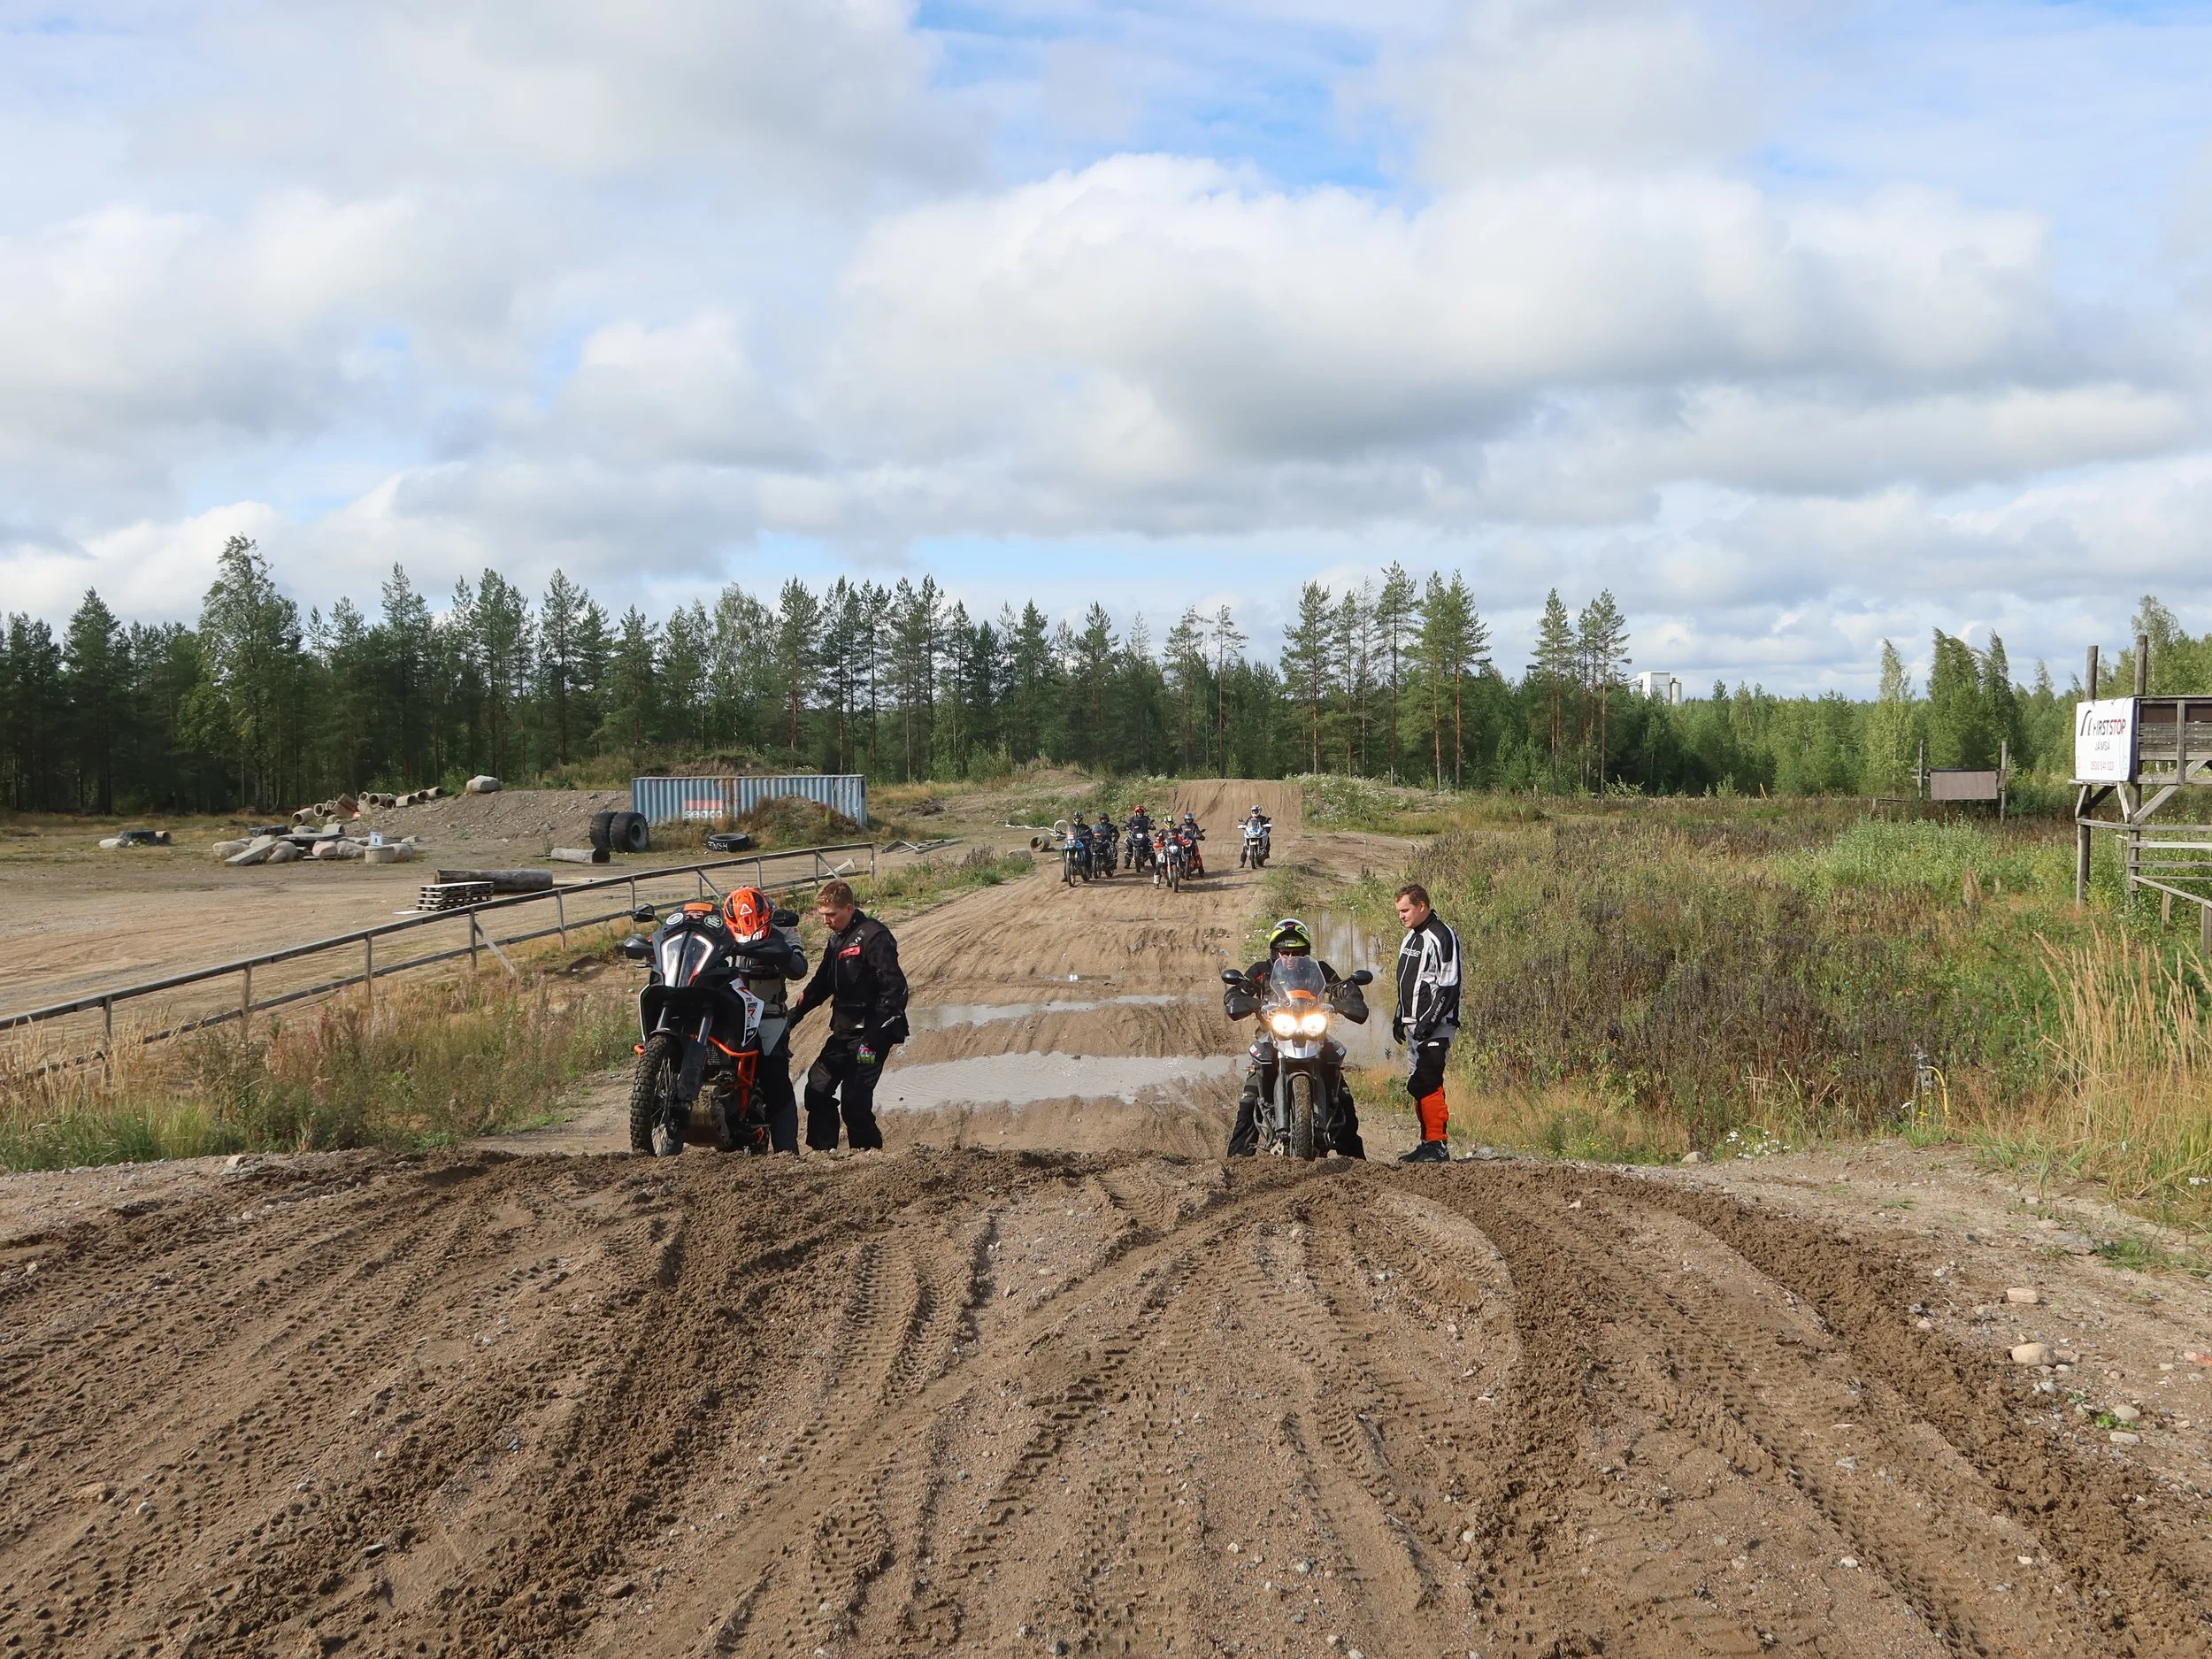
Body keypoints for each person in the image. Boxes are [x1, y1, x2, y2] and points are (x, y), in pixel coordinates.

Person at [1225, 918, 1366, 1158]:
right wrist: (1242, 999)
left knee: (1342, 1094)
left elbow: (1341, 987)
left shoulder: (1319, 970)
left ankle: (1359, 1165)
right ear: (1275, 952)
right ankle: (1236, 1163)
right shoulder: (1261, 971)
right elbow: (1238, 990)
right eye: (1284, 952)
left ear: (1306, 952)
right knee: (1249, 1099)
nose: (1290, 957)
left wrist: (1349, 996)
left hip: (1314, 1032)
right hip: (1274, 1034)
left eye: (1297, 952)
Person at [789, 879, 910, 1151]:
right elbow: (820, 985)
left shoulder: (874, 936)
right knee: (816, 1090)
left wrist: (874, 1035)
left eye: (831, 915)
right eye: (821, 915)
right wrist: (794, 1015)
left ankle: (867, 1157)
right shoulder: (836, 941)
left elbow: (896, 989)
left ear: (849, 908)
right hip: (843, 1034)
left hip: (870, 1038)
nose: (825, 921)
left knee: (855, 1101)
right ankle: (824, 1152)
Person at [722, 886, 807, 1153]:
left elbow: (799, 968)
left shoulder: (784, 928)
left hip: (769, 1013)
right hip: (727, 1012)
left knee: (775, 1080)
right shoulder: (719, 928)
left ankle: (787, 1152)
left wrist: (779, 952)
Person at [1392, 882, 1460, 1163]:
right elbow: (1406, 983)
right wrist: (1399, 1016)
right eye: (1398, 911)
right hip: (1412, 1026)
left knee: (1428, 1080)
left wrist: (1430, 1021)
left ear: (1422, 906)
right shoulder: (1410, 938)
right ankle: (1426, 1143)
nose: (1401, 916)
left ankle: (1438, 1146)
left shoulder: (1442, 936)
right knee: (1417, 1084)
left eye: (1405, 910)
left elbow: (1449, 986)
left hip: (1437, 1025)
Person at [1179, 810, 1206, 875]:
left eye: (1190, 819)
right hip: (1183, 842)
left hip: (1193, 842)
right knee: (1177, 853)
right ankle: (1179, 866)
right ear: (1185, 820)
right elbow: (1176, 832)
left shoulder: (1194, 826)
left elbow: (1198, 831)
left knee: (1197, 855)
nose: (1189, 821)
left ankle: (1201, 869)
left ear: (1192, 819)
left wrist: (1200, 836)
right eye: (1187, 820)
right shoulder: (1181, 826)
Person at [1093, 812, 1118, 876]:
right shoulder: (1097, 826)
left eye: (1105, 819)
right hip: (1098, 841)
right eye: (1102, 819)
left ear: (1107, 819)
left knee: (1112, 848)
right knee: (1091, 848)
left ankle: (1111, 863)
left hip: (1107, 841)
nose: (1104, 820)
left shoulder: (1111, 826)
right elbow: (1092, 832)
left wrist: (1114, 840)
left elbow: (1117, 834)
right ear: (1100, 819)